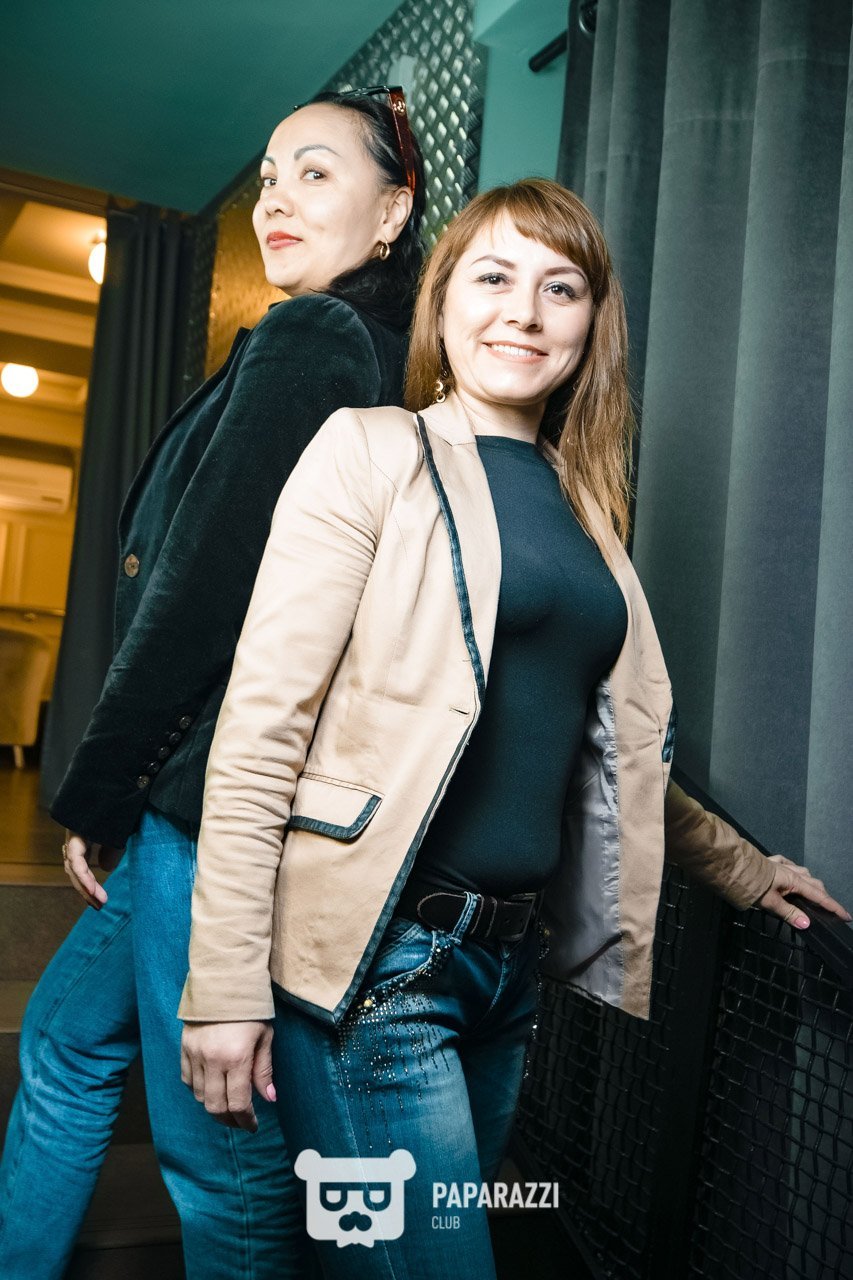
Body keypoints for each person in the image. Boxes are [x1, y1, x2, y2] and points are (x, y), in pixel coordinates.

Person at [178, 178, 850, 1280]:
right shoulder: (371, 451)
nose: (523, 312)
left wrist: (747, 868)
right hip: (379, 967)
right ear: (444, 301)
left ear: (590, 327)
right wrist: (222, 985)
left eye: (560, 288)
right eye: (492, 277)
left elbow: (605, 758)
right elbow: (260, 733)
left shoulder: (583, 508)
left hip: (506, 974)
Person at [0, 88, 426, 1280]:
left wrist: (103, 785)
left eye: (316, 173)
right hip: (197, 792)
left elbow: (202, 592)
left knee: (222, 1162)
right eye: (269, 177)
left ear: (393, 213)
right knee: (67, 1041)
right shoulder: (367, 353)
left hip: (204, 803)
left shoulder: (317, 338)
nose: (276, 199)